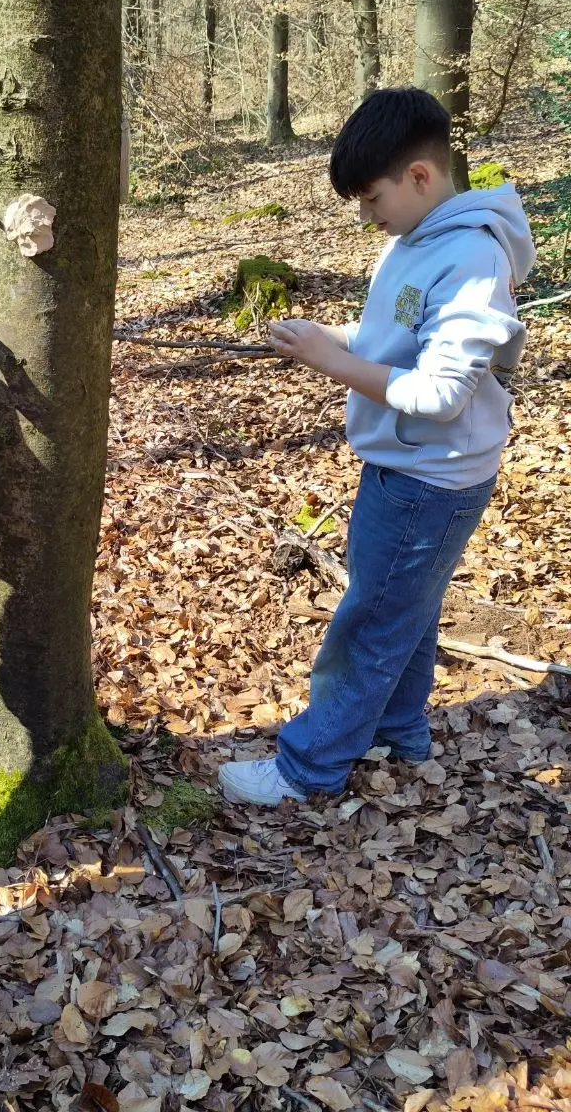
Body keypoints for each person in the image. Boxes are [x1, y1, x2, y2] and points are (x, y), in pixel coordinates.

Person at [218, 87, 535, 807]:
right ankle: (398, 729)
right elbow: (397, 347)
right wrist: (328, 340)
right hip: (405, 464)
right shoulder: (416, 241)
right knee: (406, 608)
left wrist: (331, 363)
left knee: (372, 621)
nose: (366, 216)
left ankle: (308, 768)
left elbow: (440, 392)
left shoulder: (472, 261)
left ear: (420, 177)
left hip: (431, 478)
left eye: (371, 197)